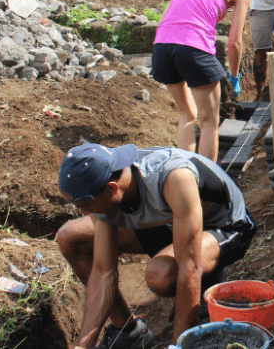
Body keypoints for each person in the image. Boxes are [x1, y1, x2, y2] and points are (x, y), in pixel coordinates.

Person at [56, 143, 256, 349]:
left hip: (224, 226)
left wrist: (177, 345)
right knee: (71, 237)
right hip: (168, 223)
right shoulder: (101, 189)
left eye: (84, 205)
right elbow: (103, 272)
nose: (83, 212)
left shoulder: (174, 178)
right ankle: (128, 332)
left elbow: (189, 268)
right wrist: (83, 345)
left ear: (112, 188)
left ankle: (208, 287)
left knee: (161, 274)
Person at [152, 0, 251, 163]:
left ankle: (181, 175)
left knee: (187, 115)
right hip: (193, 49)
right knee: (209, 122)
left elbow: (167, 15)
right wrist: (234, 78)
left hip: (161, 47)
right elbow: (234, 42)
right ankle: (207, 185)